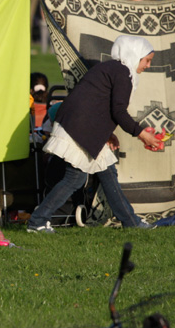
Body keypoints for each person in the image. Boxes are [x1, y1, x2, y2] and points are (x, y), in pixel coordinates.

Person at [24, 35, 159, 233]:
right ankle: (37, 222)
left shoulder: (114, 69)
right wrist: (142, 134)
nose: (148, 65)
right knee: (74, 179)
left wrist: (107, 134)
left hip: (81, 126)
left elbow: (97, 104)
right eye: (147, 60)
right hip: (78, 128)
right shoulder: (122, 73)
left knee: (108, 173)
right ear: (135, 55)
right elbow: (118, 111)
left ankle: (131, 222)